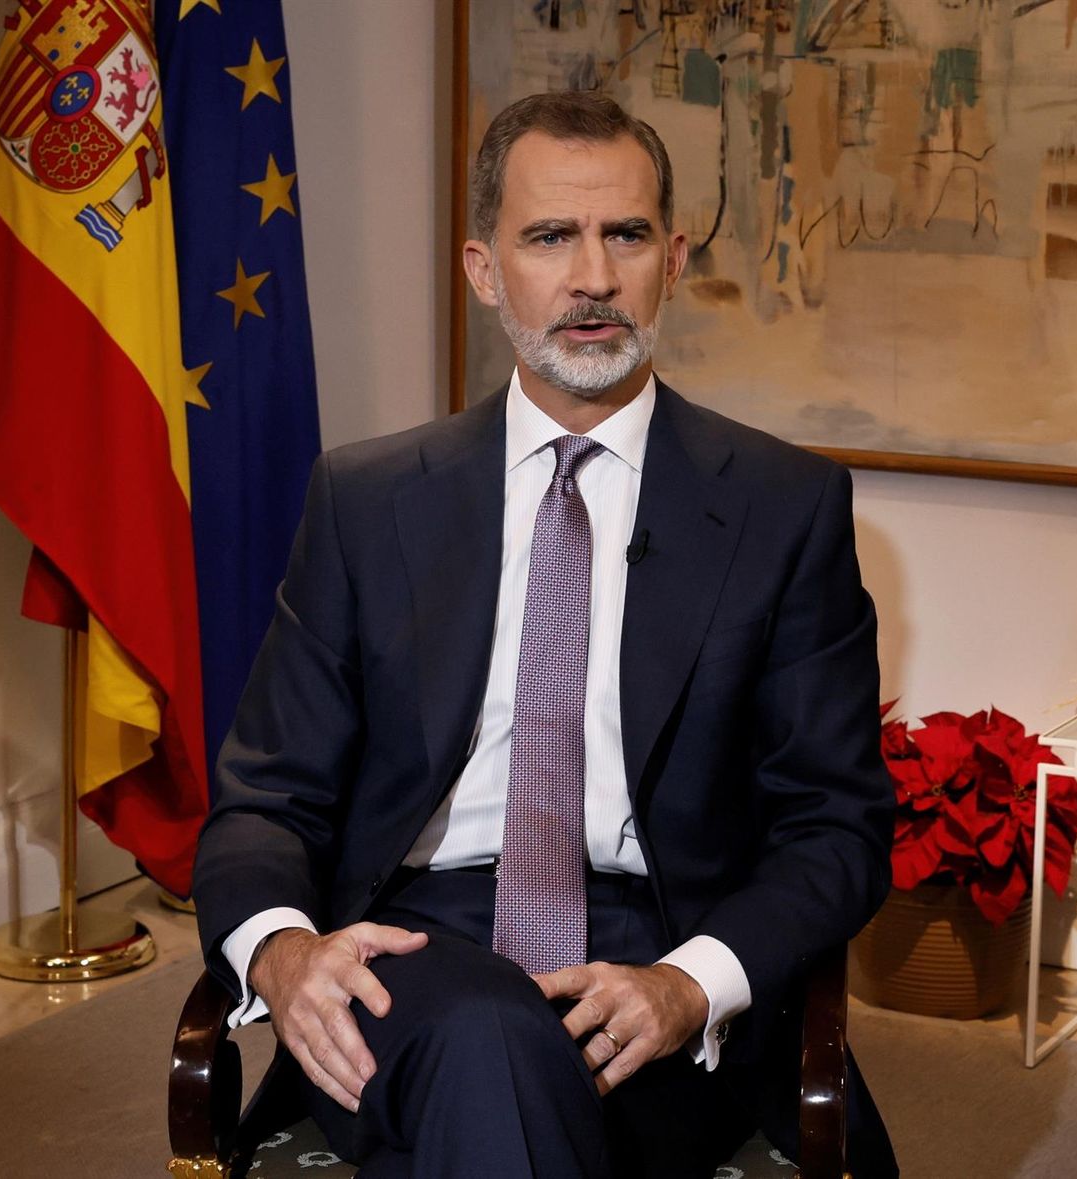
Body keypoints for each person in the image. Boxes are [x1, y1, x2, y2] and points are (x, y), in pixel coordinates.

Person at [192, 91, 898, 1179]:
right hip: (415, 953)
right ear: (485, 270)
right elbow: (264, 800)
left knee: (500, 1084)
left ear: (668, 258)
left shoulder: (781, 506)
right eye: (548, 237)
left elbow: (836, 826)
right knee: (487, 1040)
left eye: (623, 236)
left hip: (657, 956)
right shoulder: (367, 501)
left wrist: (687, 985)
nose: (592, 278)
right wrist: (282, 955)